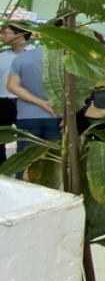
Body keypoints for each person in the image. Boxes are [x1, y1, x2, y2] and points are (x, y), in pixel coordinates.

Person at [7, 40, 61, 171]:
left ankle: (23, 189)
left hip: (27, 115)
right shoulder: (65, 58)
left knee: (25, 160)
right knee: (52, 164)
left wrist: (41, 103)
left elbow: (12, 86)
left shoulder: (23, 58)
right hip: (58, 116)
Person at [0, 23, 34, 166]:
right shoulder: (2, 55)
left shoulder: (36, 54)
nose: (2, 36)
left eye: (5, 33)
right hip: (2, 102)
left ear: (19, 34)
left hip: (26, 102)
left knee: (27, 138)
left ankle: (25, 171)